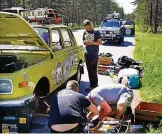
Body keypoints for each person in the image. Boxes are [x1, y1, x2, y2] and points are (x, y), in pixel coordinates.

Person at [83, 19, 102, 91]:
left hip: (94, 55)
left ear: (90, 25)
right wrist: (85, 43)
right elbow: (84, 42)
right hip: (87, 54)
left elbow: (100, 42)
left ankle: (95, 86)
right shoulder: (85, 32)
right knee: (89, 71)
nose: (86, 29)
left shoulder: (96, 32)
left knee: (93, 71)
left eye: (87, 27)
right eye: (85, 28)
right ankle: (91, 86)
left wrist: (92, 43)